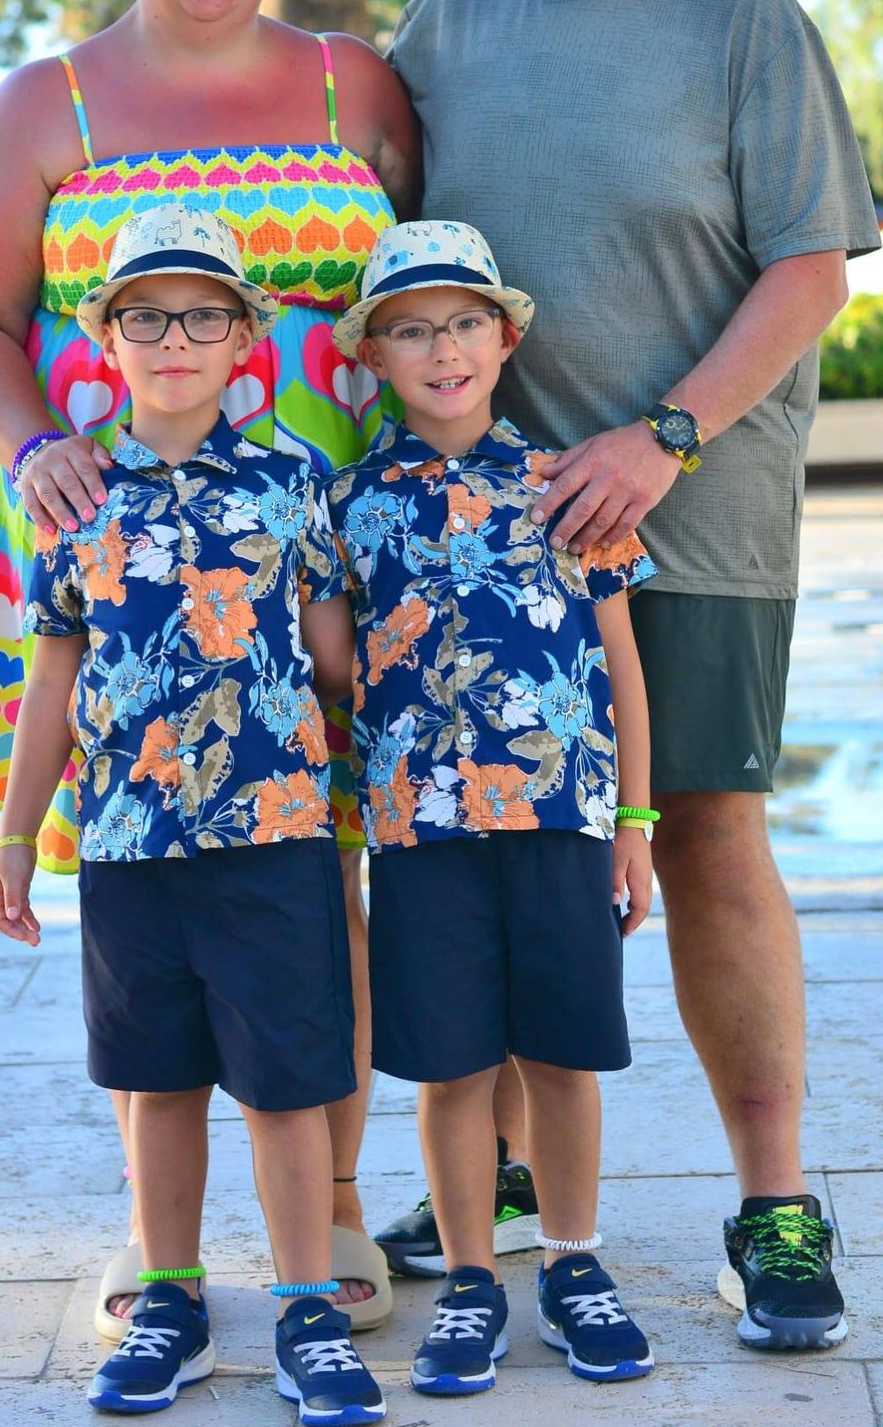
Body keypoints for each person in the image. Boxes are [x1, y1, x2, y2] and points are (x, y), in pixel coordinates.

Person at [385, 0, 881, 1352]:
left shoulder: (744, 16)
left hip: (699, 516)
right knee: (500, 852)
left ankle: (775, 1208)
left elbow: (816, 265)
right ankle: (513, 1175)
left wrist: (664, 438)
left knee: (714, 832)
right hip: (484, 561)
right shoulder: (448, 19)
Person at [0, 0, 419, 1330]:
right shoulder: (46, 104)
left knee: (321, 872)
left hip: (316, 556)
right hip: (113, 562)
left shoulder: (358, 87)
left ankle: (330, 1215)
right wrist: (29, 454)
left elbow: (426, 288)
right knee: (141, 891)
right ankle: (166, 1254)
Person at [0, 205, 385, 1425]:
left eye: (203, 315)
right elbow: (51, 676)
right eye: (146, 315)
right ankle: (169, 1295)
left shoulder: (292, 481)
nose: (175, 337)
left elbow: (335, 661)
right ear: (105, 339)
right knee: (156, 1082)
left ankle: (309, 1304)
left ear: (245, 342)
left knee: (283, 1086)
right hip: (127, 842)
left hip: (273, 838)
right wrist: (17, 832)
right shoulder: (74, 496)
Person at [326, 218, 656, 1393]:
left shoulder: (571, 482)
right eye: (411, 331)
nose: (443, 349)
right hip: (422, 833)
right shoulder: (348, 506)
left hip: (564, 818)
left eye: (464, 323)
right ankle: (470, 1279)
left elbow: (621, 662)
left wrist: (636, 825)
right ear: (372, 356)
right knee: (453, 1066)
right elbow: (329, 661)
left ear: (505, 337)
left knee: (563, 1056)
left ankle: (572, 1263)